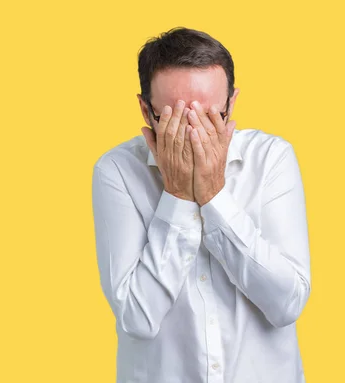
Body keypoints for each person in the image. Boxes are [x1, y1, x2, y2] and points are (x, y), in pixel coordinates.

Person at [91, 27, 311, 383]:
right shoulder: (117, 171)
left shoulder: (271, 159)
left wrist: (213, 197)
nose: (193, 138)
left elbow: (287, 303)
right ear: (146, 111)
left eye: (210, 119)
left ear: (232, 104)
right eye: (174, 122)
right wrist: (177, 197)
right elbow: (137, 317)